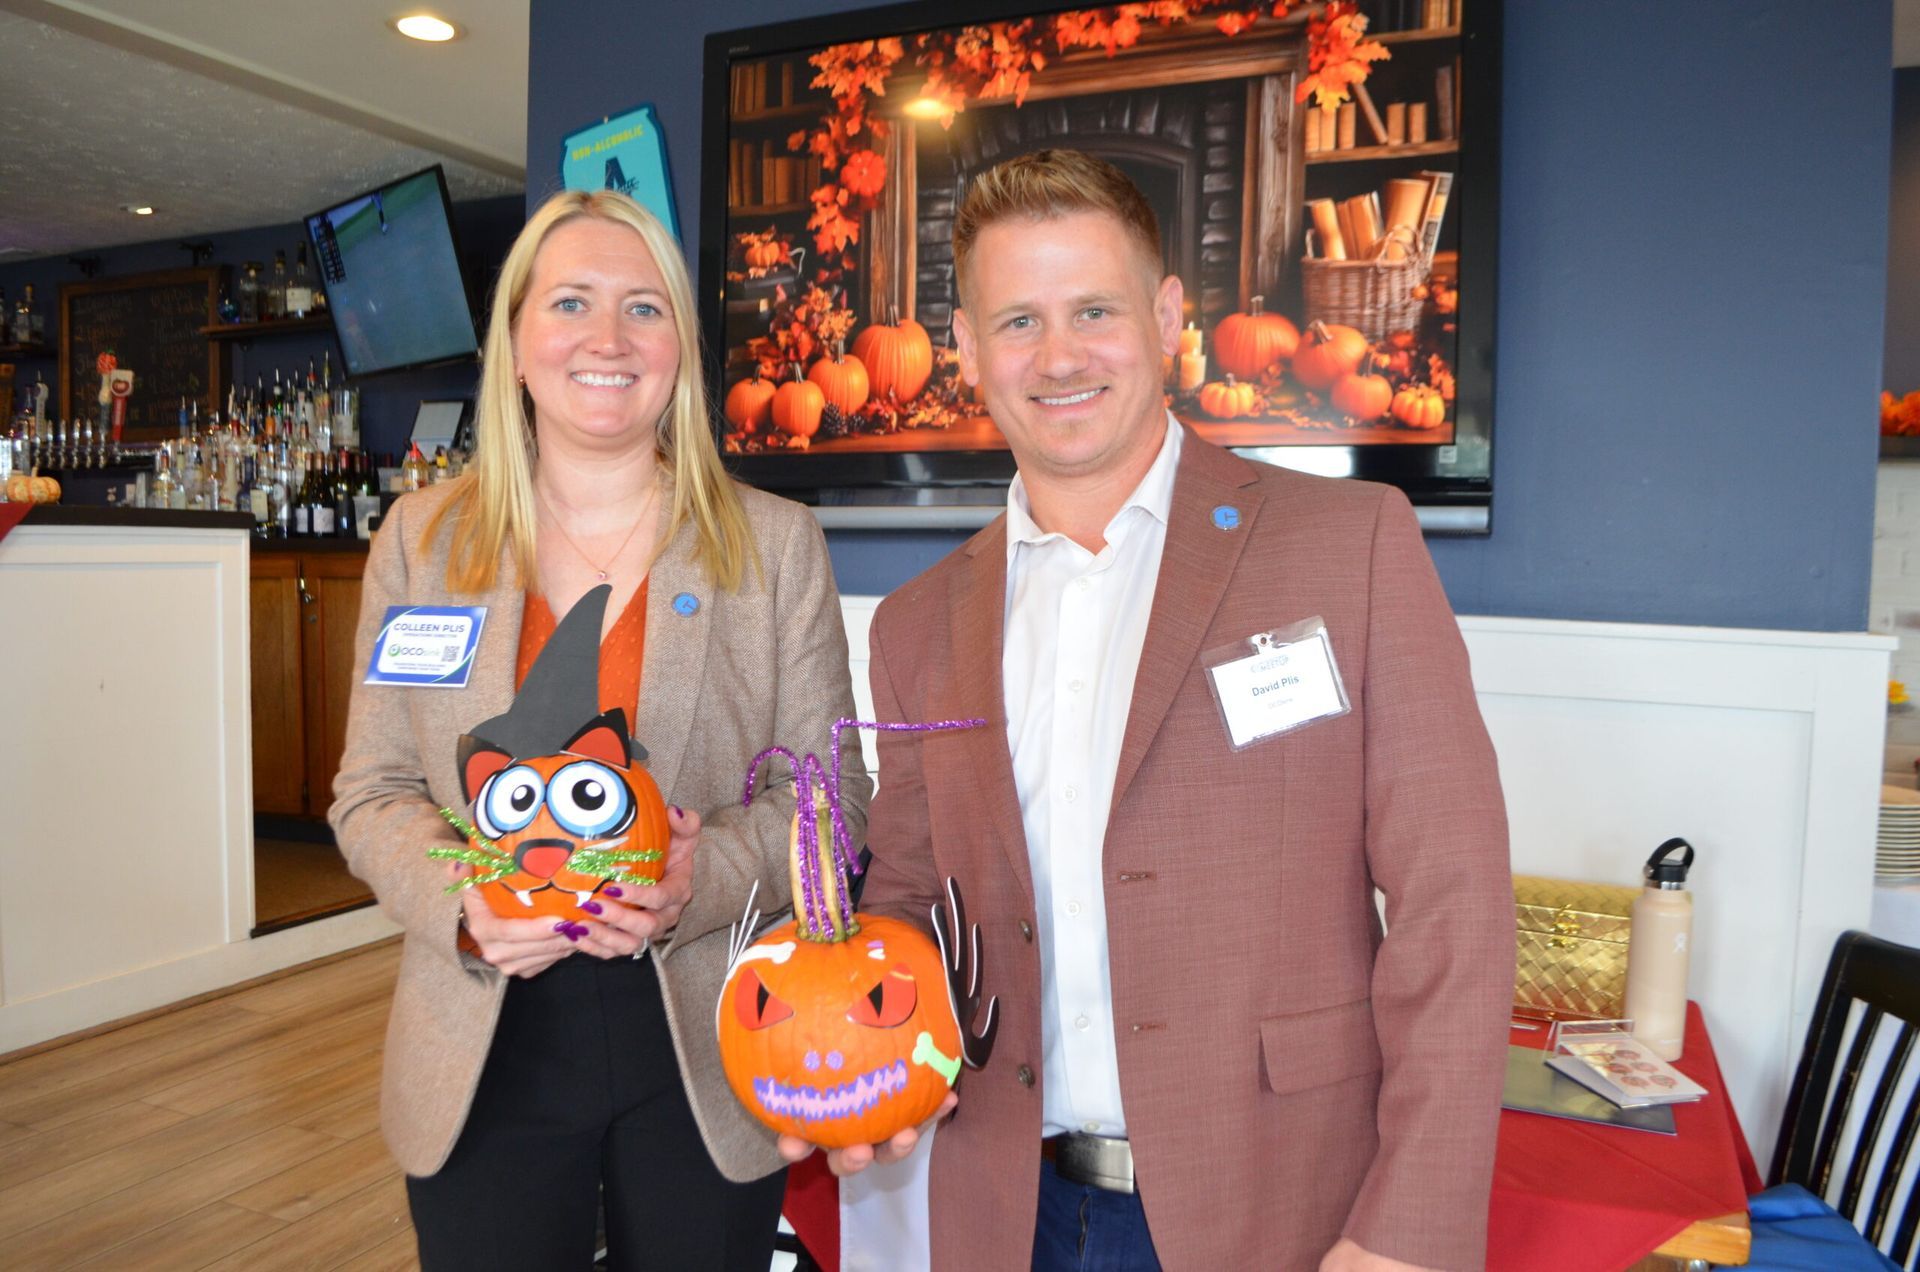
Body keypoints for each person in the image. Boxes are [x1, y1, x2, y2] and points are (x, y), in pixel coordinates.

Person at [785, 149, 1513, 1271]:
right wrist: (857, 1068)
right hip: (1005, 1206)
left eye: (1094, 309)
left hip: (1284, 1204)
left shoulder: (1351, 547)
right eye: (1017, 321)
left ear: (1169, 316)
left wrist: (1407, 1226)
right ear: (968, 351)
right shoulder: (917, 624)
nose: (1060, 355)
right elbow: (912, 899)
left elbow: (1451, 902)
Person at [331, 187, 868, 1270]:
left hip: (706, 1045)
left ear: (680, 346)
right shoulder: (422, 541)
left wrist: (696, 875)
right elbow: (373, 789)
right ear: (518, 342)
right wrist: (468, 904)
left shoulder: (774, 546)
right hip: (481, 1042)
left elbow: (830, 813)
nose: (608, 340)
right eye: (571, 302)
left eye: (644, 308)